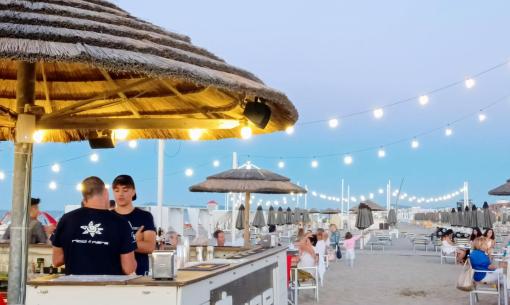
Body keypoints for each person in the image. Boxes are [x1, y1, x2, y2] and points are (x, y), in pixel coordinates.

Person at [52, 176, 137, 275]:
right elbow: (129, 269)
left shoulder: (66, 219)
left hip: (74, 287)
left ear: (84, 196)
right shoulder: (122, 223)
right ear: (105, 192)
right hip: (109, 287)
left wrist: (78, 248)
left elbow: (57, 260)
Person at [112, 175, 156, 276]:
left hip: (139, 274)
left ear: (133, 192)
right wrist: (135, 241)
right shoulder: (108, 217)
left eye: (125, 190)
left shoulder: (145, 216)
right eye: (116, 190)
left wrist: (118, 242)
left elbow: (150, 247)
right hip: (113, 275)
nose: (121, 194)